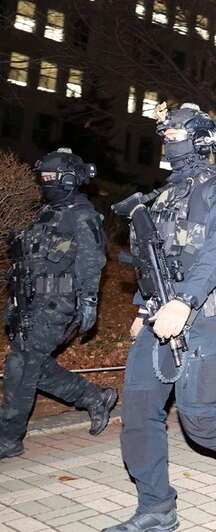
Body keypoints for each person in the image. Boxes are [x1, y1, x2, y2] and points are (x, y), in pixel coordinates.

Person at [104, 103, 216, 532]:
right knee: (139, 410)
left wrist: (183, 301)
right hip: (160, 312)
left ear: (200, 139)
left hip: (208, 315)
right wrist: (143, 307)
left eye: (174, 135)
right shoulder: (166, 194)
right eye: (164, 136)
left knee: (199, 418)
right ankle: (156, 508)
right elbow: (158, 259)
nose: (167, 142)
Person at [0, 149, 115, 460]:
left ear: (69, 179)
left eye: (51, 177)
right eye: (43, 178)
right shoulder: (47, 212)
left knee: (20, 366)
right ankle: (94, 396)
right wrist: (14, 298)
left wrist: (89, 302)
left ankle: (8, 438)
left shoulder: (82, 214)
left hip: (57, 304)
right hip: (31, 302)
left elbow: (92, 261)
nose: (46, 183)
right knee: (32, 365)